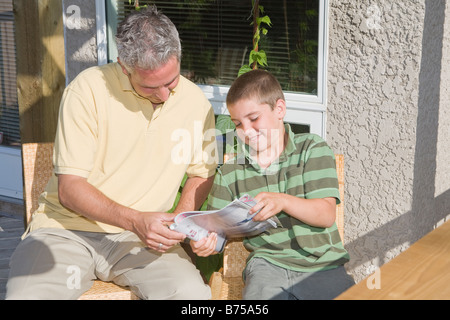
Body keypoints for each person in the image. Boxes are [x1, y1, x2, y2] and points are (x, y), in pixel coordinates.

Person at [6, 6, 217, 300]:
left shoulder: (196, 103)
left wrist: (180, 221)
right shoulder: (87, 91)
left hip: (143, 243)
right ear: (123, 66)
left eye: (171, 81)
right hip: (67, 231)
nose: (165, 95)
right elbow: (70, 189)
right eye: (150, 86)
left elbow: (201, 172)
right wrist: (134, 221)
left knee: (191, 296)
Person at [190, 69, 355, 300]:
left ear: (279, 109)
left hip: (323, 265)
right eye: (238, 123)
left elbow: (326, 214)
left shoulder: (312, 149)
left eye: (254, 119)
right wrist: (208, 241)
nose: (246, 131)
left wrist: (282, 201)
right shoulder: (230, 172)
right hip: (267, 266)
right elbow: (216, 227)